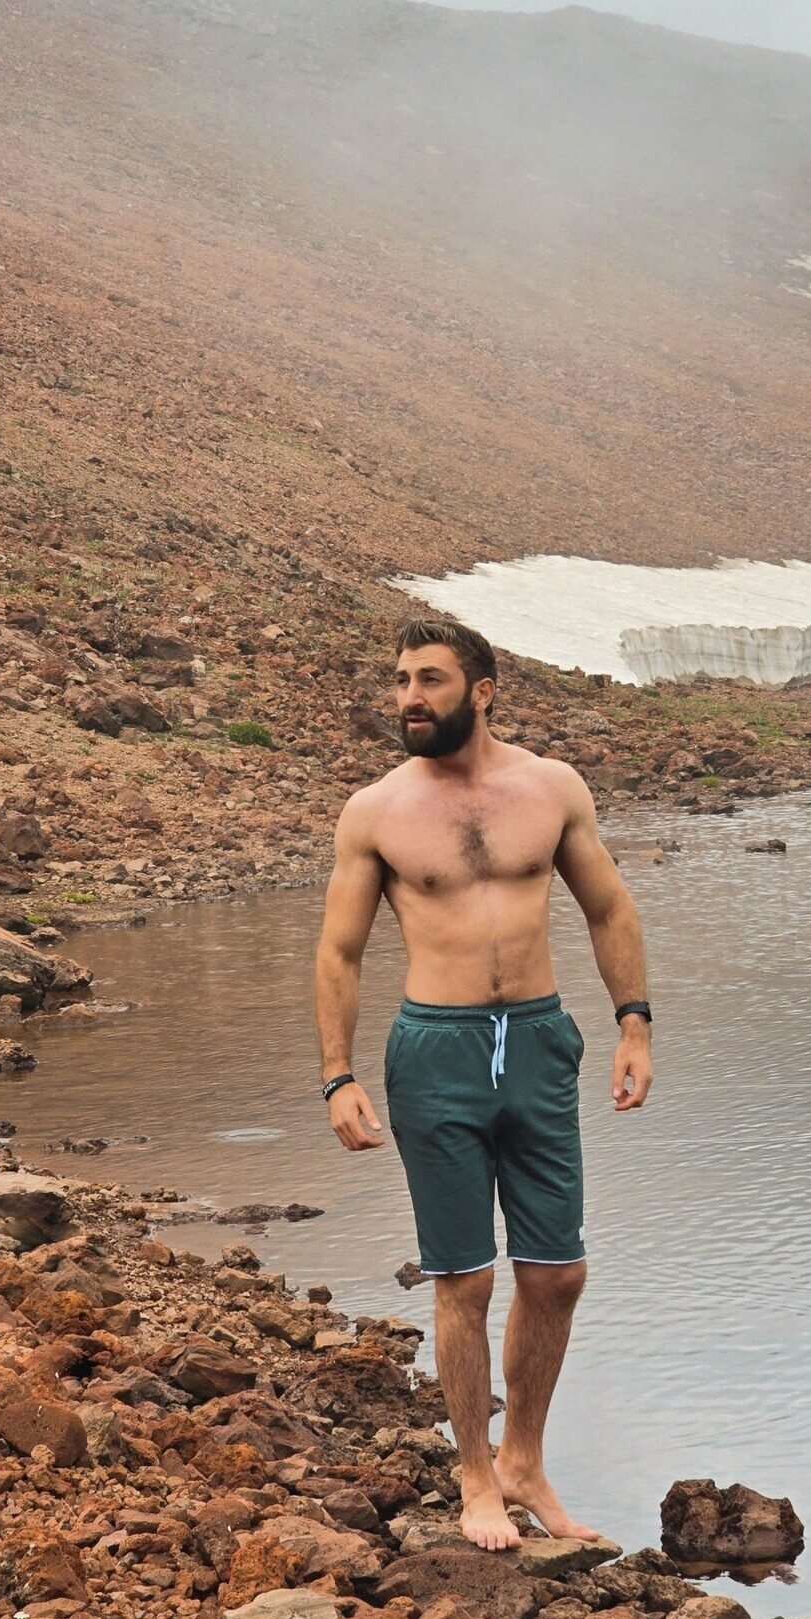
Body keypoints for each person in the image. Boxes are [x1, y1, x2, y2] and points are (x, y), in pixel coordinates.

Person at [315, 619, 654, 1551]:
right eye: (399, 681)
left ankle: (524, 1461)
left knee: (558, 1272)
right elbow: (339, 950)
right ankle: (473, 1480)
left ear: (485, 687)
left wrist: (634, 1022)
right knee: (461, 1276)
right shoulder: (376, 809)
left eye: (428, 679)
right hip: (438, 1049)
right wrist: (337, 1075)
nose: (408, 698)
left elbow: (609, 905)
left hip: (541, 1040)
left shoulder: (550, 788)